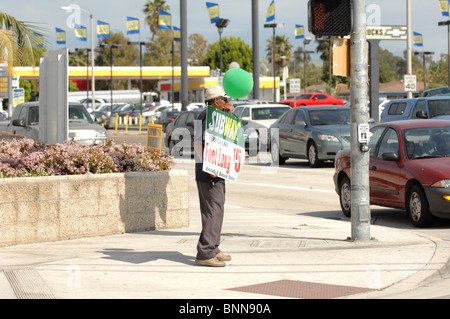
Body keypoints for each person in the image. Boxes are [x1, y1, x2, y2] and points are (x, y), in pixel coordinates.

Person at [193, 85, 233, 267]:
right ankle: (205, 252)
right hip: (209, 173)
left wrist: (230, 113)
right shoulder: (205, 117)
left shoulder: (216, 116)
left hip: (217, 171)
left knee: (217, 210)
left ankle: (213, 248)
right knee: (212, 211)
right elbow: (197, 144)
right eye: (224, 99)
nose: (226, 102)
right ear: (216, 101)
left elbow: (232, 134)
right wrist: (208, 166)